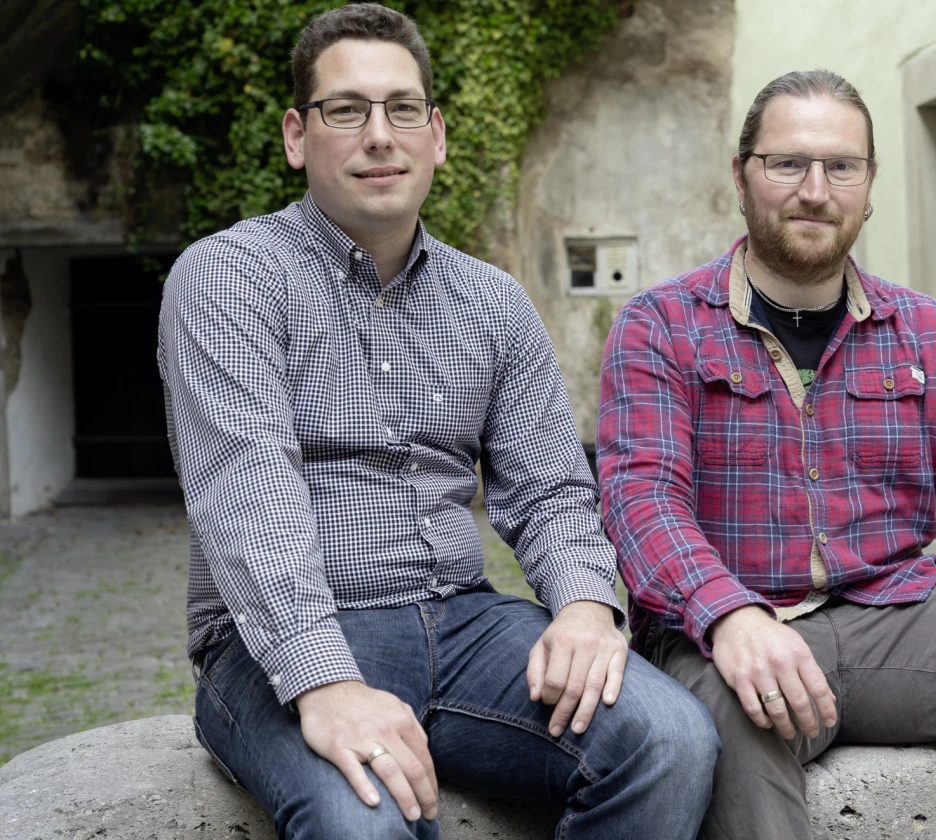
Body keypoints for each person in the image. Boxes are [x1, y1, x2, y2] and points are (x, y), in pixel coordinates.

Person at [157, 5, 718, 839]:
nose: (380, 135)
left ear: (438, 134)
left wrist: (582, 604)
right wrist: (325, 684)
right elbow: (247, 494)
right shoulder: (227, 279)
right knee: (362, 821)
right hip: (274, 643)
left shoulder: (493, 301)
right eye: (346, 110)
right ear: (296, 136)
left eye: (403, 108)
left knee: (670, 739)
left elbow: (552, 490)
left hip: (465, 625)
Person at [597, 69, 936, 840]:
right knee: (723, 722)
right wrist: (729, 616)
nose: (815, 190)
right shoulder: (662, 325)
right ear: (742, 175)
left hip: (896, 614)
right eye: (788, 163)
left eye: (841, 166)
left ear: (869, 184)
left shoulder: (920, 328)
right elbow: (643, 502)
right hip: (729, 630)